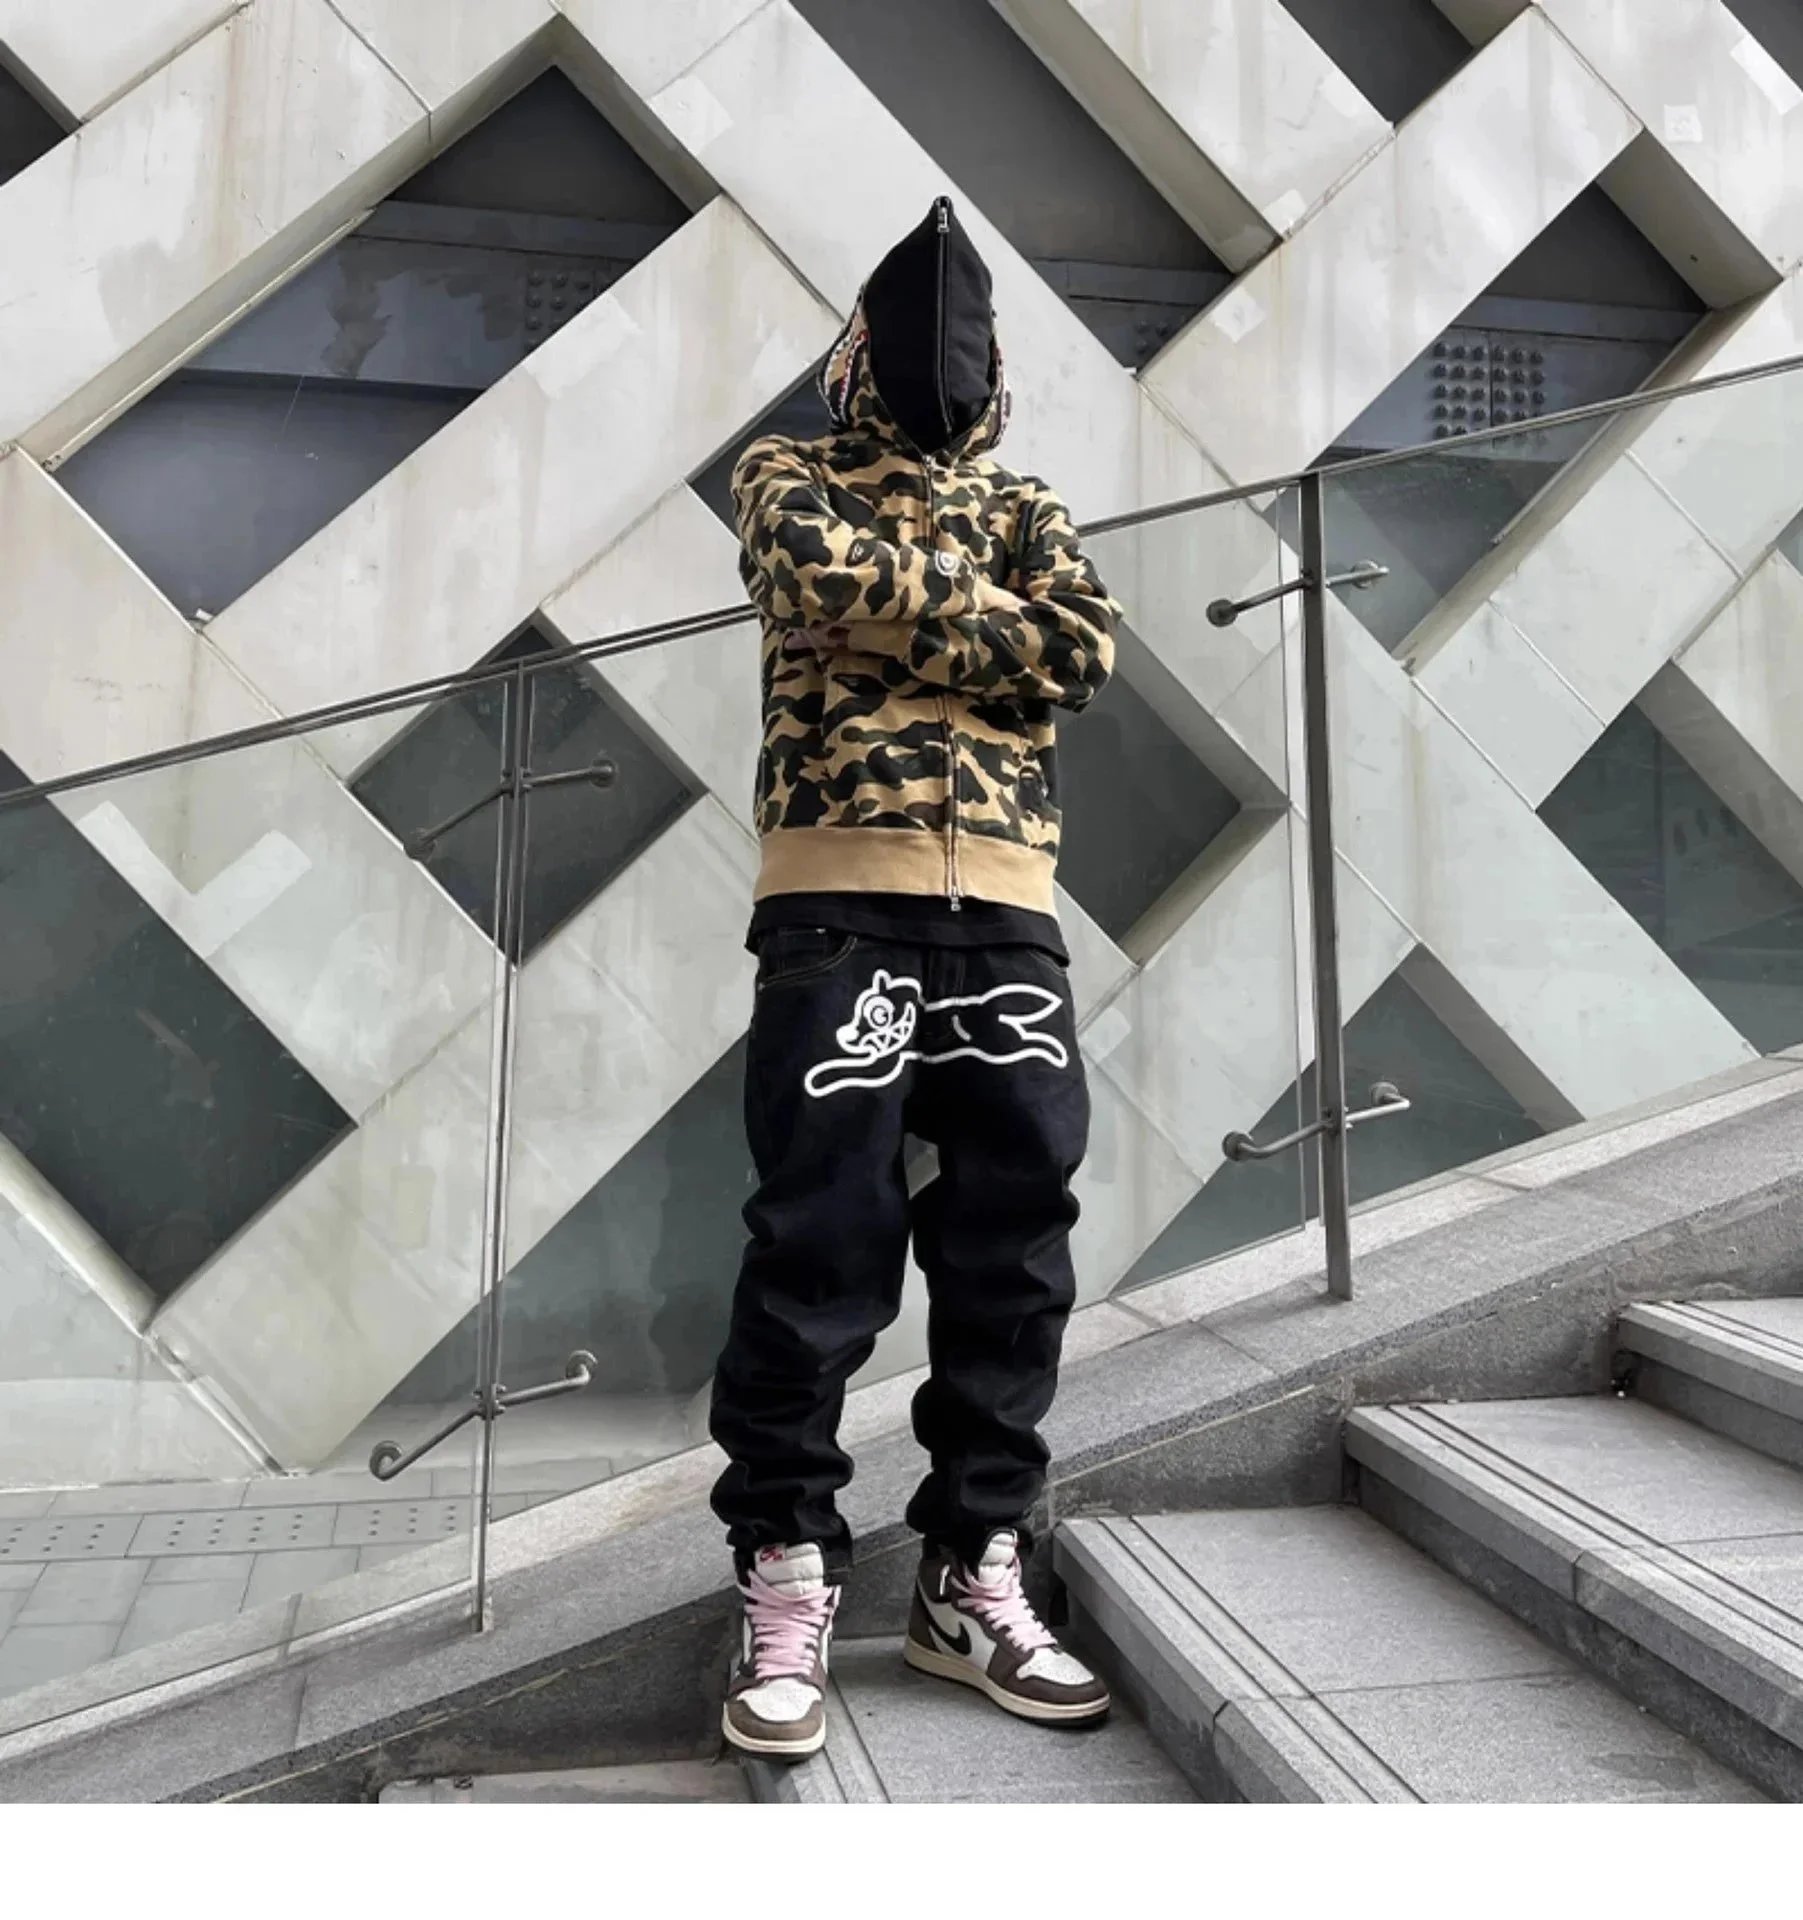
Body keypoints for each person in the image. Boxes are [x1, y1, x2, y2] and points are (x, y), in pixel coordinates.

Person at [709, 197, 1120, 1760]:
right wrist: (988, 622)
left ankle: (970, 1573)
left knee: (1016, 1253)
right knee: (819, 1243)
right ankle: (787, 1572)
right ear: (854, 358)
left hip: (1007, 910)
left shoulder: (1027, 501)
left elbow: (1083, 653)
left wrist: (893, 613)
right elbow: (806, 572)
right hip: (836, 902)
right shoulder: (786, 471)